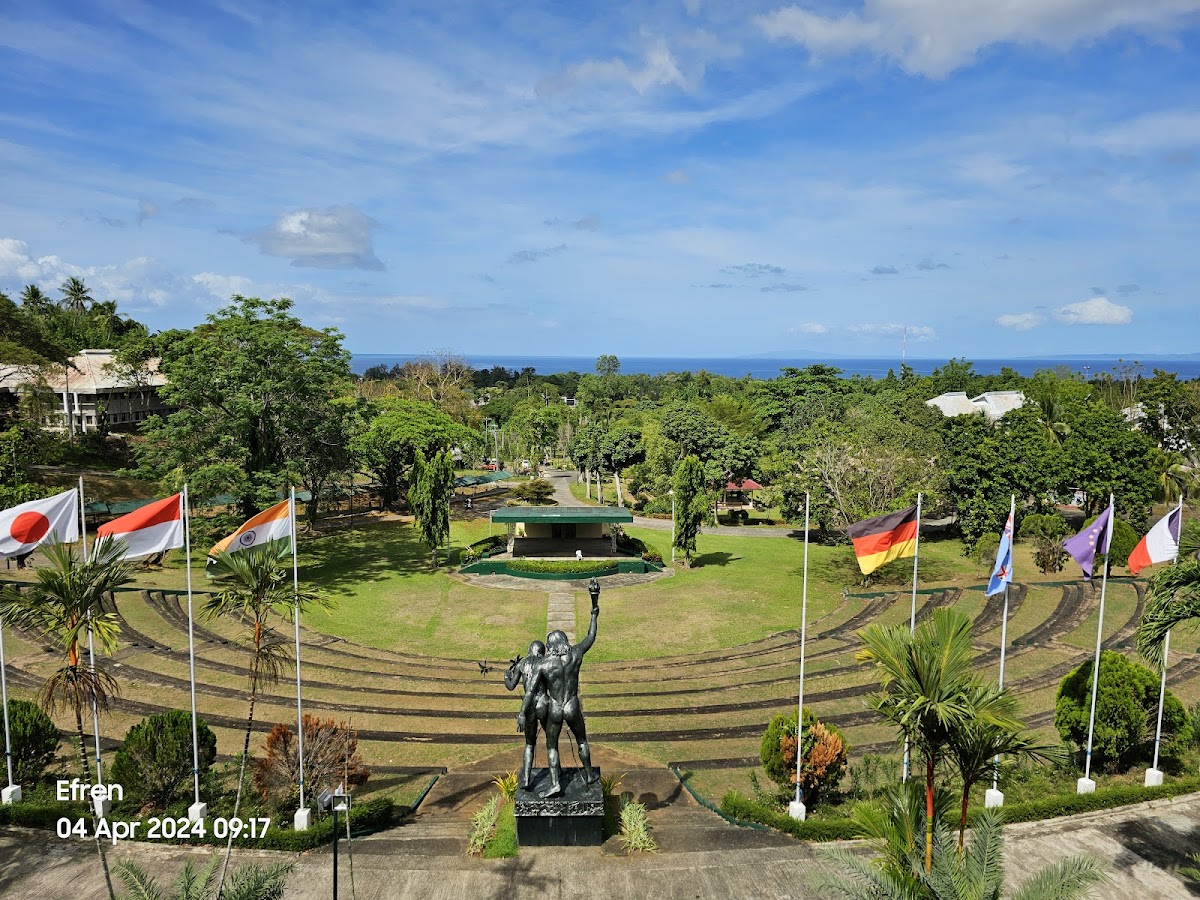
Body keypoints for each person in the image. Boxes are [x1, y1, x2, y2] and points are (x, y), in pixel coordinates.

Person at [518, 591, 600, 797]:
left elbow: (530, 691)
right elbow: (591, 637)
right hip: (571, 704)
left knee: (551, 746)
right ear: (564, 641)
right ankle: (589, 774)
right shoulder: (576, 654)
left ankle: (555, 783)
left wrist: (522, 713)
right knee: (581, 740)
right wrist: (593, 614)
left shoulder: (544, 663)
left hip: (555, 706)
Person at [506, 641, 548, 790]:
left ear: (530, 650)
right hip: (543, 702)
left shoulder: (521, 664)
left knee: (530, 744)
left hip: (528, 706)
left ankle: (526, 778)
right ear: (541, 652)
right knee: (551, 741)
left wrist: (506, 676)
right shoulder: (544, 662)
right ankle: (556, 774)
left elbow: (511, 685)